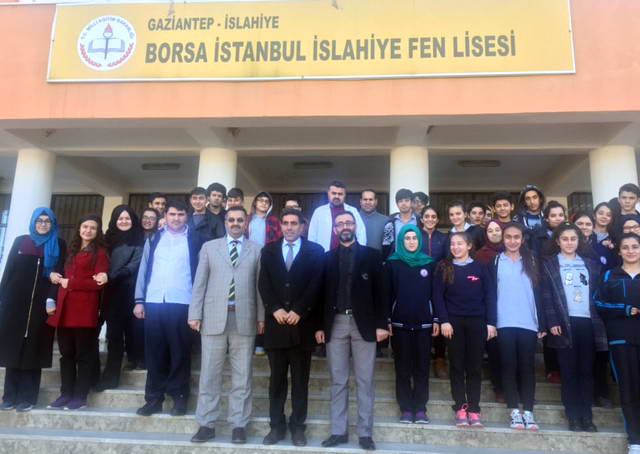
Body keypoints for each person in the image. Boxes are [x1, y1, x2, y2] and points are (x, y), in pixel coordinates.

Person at [188, 206, 264, 444]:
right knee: (209, 374)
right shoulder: (209, 248)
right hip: (212, 318)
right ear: (225, 222)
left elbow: (260, 288)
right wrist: (195, 313)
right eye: (231, 220)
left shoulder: (256, 250)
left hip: (245, 318)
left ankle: (239, 424)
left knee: (243, 376)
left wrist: (261, 317)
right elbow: (199, 283)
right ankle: (206, 423)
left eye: (240, 220)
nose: (235, 223)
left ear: (246, 223)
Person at [316, 211, 388, 451]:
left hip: (364, 324)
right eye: (340, 224)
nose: (345, 226)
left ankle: (365, 434)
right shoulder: (327, 258)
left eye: (348, 222)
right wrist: (320, 326)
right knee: (338, 380)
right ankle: (338, 431)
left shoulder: (372, 256)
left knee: (365, 381)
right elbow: (321, 295)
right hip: (335, 323)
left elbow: (382, 292)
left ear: (355, 226)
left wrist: (382, 324)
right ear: (335, 230)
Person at [258, 209, 325, 446]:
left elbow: (317, 284)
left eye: (293, 223)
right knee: (276, 381)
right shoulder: (268, 250)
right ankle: (276, 427)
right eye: (285, 223)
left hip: (302, 327)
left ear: (302, 226)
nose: (289, 227)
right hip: (276, 326)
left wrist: (300, 310)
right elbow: (263, 283)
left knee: (300, 382)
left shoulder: (315, 251)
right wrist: (274, 308)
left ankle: (298, 427)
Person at [133, 200, 204, 417]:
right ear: (165, 215)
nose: (176, 218)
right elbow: (143, 269)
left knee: (179, 353)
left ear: (187, 216)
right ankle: (153, 399)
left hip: (182, 303)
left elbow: (201, 274)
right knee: (155, 354)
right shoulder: (154, 238)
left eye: (180, 214)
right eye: (172, 214)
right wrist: (139, 300)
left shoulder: (196, 240)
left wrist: (198, 307)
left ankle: (179, 397)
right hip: (154, 302)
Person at [541, 224, 607, 432]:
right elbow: (546, 295)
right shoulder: (550, 264)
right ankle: (573, 417)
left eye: (573, 239)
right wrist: (552, 321)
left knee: (586, 371)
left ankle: (587, 417)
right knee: (568, 372)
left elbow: (598, 294)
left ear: (579, 241)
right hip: (564, 323)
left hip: (588, 322)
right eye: (565, 239)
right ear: (557, 241)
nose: (569, 243)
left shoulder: (591, 264)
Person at [0, 208, 65, 412]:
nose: (43, 224)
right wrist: (2, 297)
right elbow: (9, 270)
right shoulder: (21, 241)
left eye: (47, 221)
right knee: (13, 349)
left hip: (42, 305)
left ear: (52, 224)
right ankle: (9, 396)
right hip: (15, 303)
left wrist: (51, 299)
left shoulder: (58, 244)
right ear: (33, 222)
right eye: (39, 220)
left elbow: (59, 273)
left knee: (34, 349)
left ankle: (27, 397)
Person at [432, 231, 497, 428]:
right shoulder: (444, 267)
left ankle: (474, 409)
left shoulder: (481, 268)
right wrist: (444, 321)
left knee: (474, 367)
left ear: (469, 246)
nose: (455, 247)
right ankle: (460, 406)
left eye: (460, 243)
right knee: (457, 366)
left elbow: (490, 295)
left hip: (477, 322)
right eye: (453, 244)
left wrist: (491, 322)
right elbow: (437, 296)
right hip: (453, 324)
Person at [46, 214, 110, 411]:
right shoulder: (71, 249)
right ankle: (65, 393)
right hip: (64, 309)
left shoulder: (100, 253)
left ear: (97, 231)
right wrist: (54, 276)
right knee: (66, 354)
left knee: (84, 355)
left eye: (92, 228)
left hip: (84, 310)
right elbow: (61, 274)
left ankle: (80, 396)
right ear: (79, 228)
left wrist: (71, 282)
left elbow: (98, 284)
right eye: (85, 226)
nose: (88, 230)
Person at [490, 223, 546, 431]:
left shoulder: (532, 260)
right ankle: (514, 410)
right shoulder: (496, 261)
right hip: (504, 322)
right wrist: (491, 321)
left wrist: (542, 322)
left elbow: (540, 293)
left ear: (522, 239)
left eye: (516, 237)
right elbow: (491, 293)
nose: (512, 241)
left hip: (528, 323)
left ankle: (528, 411)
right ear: (503, 239)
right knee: (508, 366)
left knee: (527, 368)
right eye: (508, 237)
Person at [386, 224, 438, 424]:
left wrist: (436, 318)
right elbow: (387, 293)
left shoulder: (429, 263)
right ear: (401, 241)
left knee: (422, 368)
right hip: (400, 324)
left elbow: (435, 293)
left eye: (414, 238)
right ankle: (406, 409)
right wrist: (387, 319)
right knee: (402, 368)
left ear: (419, 240)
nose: (411, 241)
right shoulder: (392, 263)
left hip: (424, 324)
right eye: (407, 238)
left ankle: (420, 408)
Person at [595, 233, 640, 454]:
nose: (631, 251)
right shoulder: (609, 275)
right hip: (620, 339)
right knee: (628, 389)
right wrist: (624, 310)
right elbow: (598, 303)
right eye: (626, 247)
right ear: (619, 251)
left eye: (635, 246)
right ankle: (635, 441)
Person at [96, 205, 145, 391]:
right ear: (114, 221)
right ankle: (109, 376)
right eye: (120, 218)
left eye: (127, 218)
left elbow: (134, 265)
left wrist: (111, 276)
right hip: (108, 294)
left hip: (130, 293)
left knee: (131, 332)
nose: (124, 221)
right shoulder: (105, 241)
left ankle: (134, 361)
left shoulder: (139, 239)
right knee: (113, 336)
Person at [474, 220, 505, 402]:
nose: (494, 233)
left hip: (511, 308)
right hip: (489, 308)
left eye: (497, 230)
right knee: (495, 350)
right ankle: (499, 387)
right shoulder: (481, 255)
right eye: (490, 231)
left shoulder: (514, 251)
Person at [308, 180, 366, 252]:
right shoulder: (319, 211)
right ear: (328, 193)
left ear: (345, 195)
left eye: (340, 194)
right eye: (334, 193)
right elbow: (312, 236)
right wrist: (313, 253)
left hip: (349, 254)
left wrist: (360, 252)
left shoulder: (353, 210)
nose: (337, 196)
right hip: (323, 254)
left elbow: (361, 233)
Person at [382, 188, 417, 258]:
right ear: (397, 204)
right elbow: (386, 244)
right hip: (396, 260)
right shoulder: (390, 222)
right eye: (400, 201)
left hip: (415, 260)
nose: (403, 204)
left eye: (407, 200)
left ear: (411, 202)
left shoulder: (419, 221)